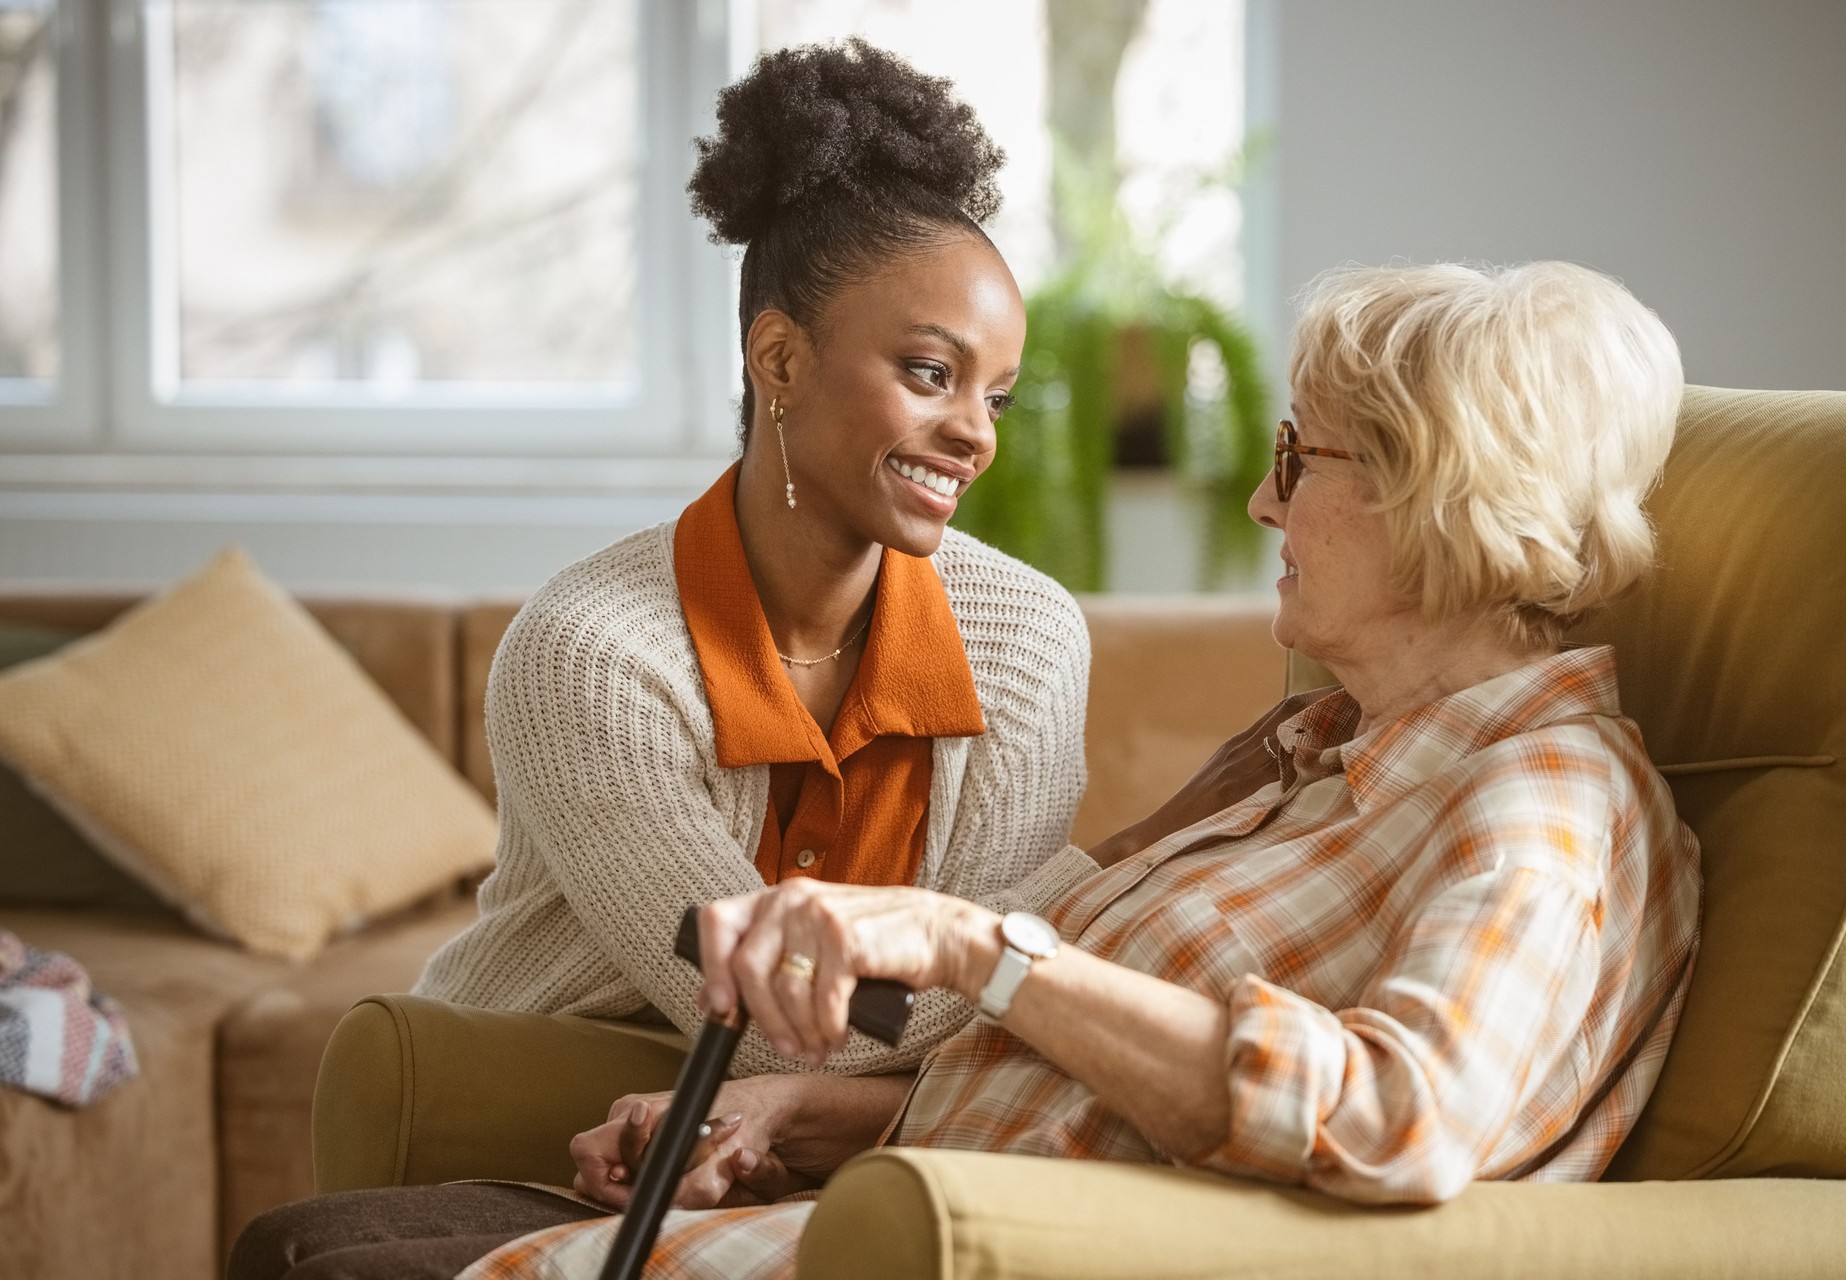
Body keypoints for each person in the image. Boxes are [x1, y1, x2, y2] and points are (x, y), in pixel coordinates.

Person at [462, 259, 1704, 1280]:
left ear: (1433, 492)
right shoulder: (1325, 763)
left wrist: (976, 945)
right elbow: (1108, 1113)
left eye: (1298, 460)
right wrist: (816, 1119)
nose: (1266, 508)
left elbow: (1396, 1117)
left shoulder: (1539, 801)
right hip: (898, 1217)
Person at [229, 40, 1092, 1280]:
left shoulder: (1028, 641)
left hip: (847, 1140)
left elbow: (972, 992)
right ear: (780, 360)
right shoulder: (592, 652)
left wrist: (1019, 948)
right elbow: (801, 1015)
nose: (973, 434)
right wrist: (1066, 908)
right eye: (929, 373)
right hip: (554, 1100)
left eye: (996, 396)